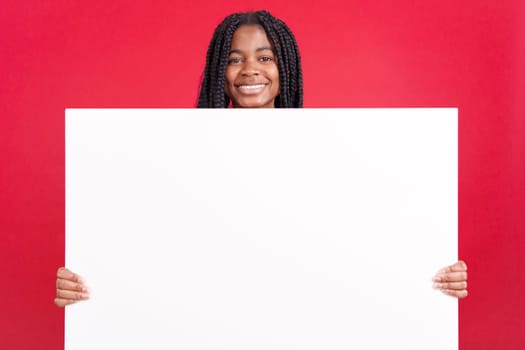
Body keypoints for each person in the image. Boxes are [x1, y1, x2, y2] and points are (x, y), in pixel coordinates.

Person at [54, 10, 468, 308]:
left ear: (285, 68)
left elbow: (361, 242)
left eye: (265, 57)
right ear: (220, 70)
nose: (250, 69)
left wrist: (428, 272)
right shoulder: (173, 159)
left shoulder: (336, 157)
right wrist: (89, 278)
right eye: (234, 59)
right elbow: (148, 242)